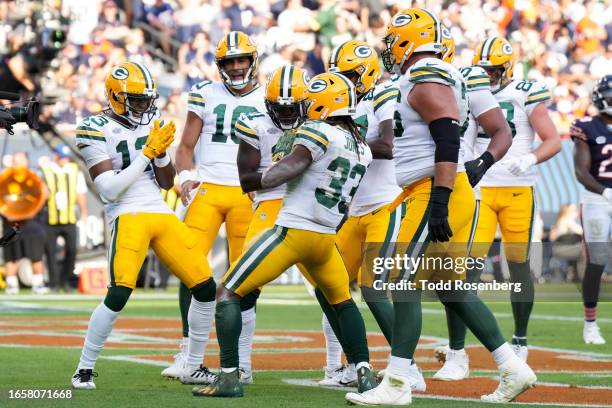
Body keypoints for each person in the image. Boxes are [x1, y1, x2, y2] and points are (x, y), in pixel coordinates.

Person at [346, 8, 536, 405]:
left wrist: (439, 201)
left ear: (410, 38)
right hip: (439, 186)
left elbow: (447, 136)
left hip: (433, 188)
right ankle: (512, 368)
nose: (389, 48)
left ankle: (398, 383)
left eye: (394, 40)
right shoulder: (438, 73)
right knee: (453, 287)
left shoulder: (424, 72)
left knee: (398, 280)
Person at [192, 72, 375, 398]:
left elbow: (293, 166)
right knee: (343, 303)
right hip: (324, 238)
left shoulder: (317, 131)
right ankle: (363, 373)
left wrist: (264, 178)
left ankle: (230, 376)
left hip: (293, 231)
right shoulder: (361, 146)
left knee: (228, 292)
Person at [70, 62, 217, 390]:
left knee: (206, 287)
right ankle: (84, 368)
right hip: (128, 214)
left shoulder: (150, 120)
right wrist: (146, 152)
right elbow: (109, 189)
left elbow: (166, 183)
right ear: (116, 97)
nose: (144, 106)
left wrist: (161, 154)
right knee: (120, 291)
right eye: (136, 100)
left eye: (147, 99)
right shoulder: (94, 127)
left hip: (159, 211)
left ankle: (192, 364)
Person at [440, 36, 561, 369]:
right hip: (479, 189)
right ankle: (456, 352)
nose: (488, 77)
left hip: (517, 189)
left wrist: (531, 159)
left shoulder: (523, 91)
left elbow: (553, 141)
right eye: (484, 71)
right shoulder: (468, 87)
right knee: (464, 271)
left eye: (493, 71)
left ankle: (520, 340)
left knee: (519, 265)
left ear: (507, 68)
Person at [317, 40, 414, 388]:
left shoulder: (383, 94)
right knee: (327, 286)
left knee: (374, 289)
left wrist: (342, 144)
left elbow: (388, 146)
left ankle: (408, 368)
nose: (340, 80)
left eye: (346, 74)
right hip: (354, 211)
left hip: (385, 204)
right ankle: (357, 363)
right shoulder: (343, 102)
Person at [170, 31, 265, 384]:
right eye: (230, 61)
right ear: (220, 65)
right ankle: (188, 354)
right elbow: (185, 146)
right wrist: (185, 177)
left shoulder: (268, 97)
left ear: (252, 61)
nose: (237, 67)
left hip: (246, 193)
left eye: (242, 60)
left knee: (246, 280)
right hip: (208, 188)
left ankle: (243, 363)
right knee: (190, 267)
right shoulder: (205, 93)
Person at [434, 28, 514, 381]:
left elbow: (501, 130)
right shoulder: (405, 84)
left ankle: (459, 355)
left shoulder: (463, 80)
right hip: (411, 189)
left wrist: (483, 162)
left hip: (454, 188)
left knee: (452, 279)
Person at [231, 64, 309, 384]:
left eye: (293, 108)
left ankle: (339, 366)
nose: (288, 115)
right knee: (245, 287)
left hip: (309, 206)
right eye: (281, 108)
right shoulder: (256, 125)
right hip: (269, 206)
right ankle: (243, 366)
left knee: (332, 289)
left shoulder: (321, 121)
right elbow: (246, 180)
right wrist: (278, 173)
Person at [570, 74, 612, 345]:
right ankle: (590, 324)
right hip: (598, 199)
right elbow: (581, 171)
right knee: (596, 261)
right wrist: (606, 191)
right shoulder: (586, 125)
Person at [40, 144, 88, 292]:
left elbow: (80, 193)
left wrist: (84, 212)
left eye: (66, 157)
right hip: (51, 217)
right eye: (61, 157)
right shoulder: (46, 171)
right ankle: (54, 283)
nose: (64, 160)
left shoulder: (75, 171)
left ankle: (66, 281)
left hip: (69, 217)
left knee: (72, 250)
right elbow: (41, 193)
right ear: (55, 156)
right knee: (50, 252)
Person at [2, 152, 49, 295]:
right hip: (11, 223)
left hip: (32, 223)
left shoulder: (35, 178)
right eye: (15, 161)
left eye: (19, 161)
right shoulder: (5, 178)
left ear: (27, 162)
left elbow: (45, 196)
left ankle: (38, 283)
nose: (16, 164)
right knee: (11, 257)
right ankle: (11, 284)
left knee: (36, 255)